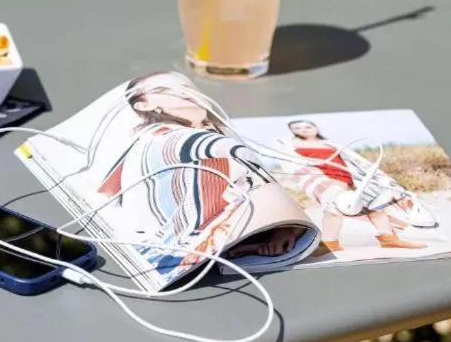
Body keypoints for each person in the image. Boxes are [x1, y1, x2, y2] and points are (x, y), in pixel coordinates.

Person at [90, 71, 302, 264]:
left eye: (186, 87)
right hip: (181, 251)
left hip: (172, 246)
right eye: (164, 90)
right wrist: (289, 227)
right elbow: (237, 154)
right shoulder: (174, 138)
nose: (183, 92)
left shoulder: (158, 138)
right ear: (143, 105)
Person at [286, 120, 427, 254]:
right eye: (297, 128)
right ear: (292, 131)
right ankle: (330, 244)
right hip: (324, 181)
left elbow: (352, 161)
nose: (303, 129)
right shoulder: (291, 146)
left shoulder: (330, 143)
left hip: (350, 180)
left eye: (307, 126)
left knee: (374, 206)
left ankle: (388, 239)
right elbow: (297, 166)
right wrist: (325, 181)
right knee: (334, 210)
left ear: (316, 128)